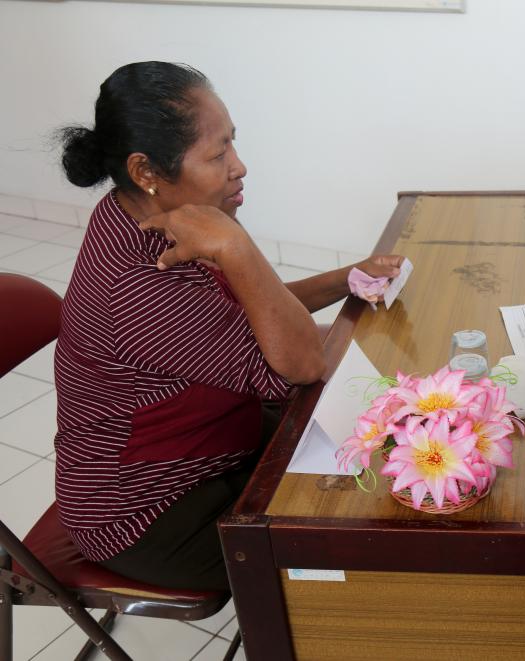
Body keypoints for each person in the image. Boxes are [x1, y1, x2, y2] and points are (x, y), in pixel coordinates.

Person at [54, 61, 403, 591]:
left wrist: (347, 278)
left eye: (232, 143)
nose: (239, 166)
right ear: (145, 171)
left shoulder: (141, 212)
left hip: (213, 437)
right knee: (355, 537)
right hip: (151, 512)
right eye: (218, 155)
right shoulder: (139, 284)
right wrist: (234, 244)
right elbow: (302, 363)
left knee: (382, 433)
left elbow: (258, 312)